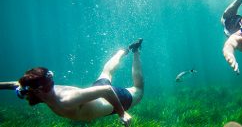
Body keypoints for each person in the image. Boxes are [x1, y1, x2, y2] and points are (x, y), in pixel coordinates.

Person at [0, 38, 144, 127]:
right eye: (49, 82)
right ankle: (121, 52)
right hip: (94, 93)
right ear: (37, 90)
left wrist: (121, 113)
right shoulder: (31, 90)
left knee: (139, 90)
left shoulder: (65, 100)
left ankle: (135, 51)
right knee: (106, 73)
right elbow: (14, 84)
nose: (52, 85)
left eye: (51, 81)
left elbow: (106, 90)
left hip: (111, 101)